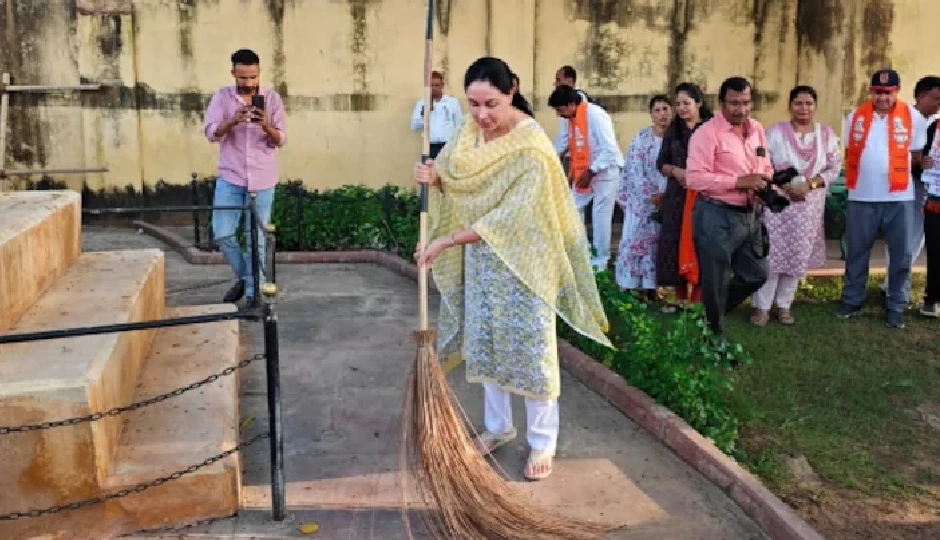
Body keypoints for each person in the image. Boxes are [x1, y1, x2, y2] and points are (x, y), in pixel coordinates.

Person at [412, 57, 612, 481]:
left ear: (511, 93)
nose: (482, 115)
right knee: (486, 342)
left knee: (531, 350)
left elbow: (510, 217)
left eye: (492, 104)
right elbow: (456, 179)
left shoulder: (531, 147)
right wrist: (433, 177)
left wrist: (445, 241)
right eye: (473, 104)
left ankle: (542, 441)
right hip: (482, 259)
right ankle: (498, 426)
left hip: (526, 263)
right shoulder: (469, 132)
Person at [836, 68, 929, 329]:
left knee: (901, 255)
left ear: (896, 92)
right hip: (861, 195)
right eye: (878, 92)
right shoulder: (855, 116)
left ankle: (896, 305)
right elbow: (850, 151)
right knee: (857, 252)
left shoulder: (913, 117)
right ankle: (852, 300)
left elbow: (916, 155)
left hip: (899, 197)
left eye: (888, 92)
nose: (883, 97)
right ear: (871, 92)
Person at [685, 76, 772, 342]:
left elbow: (765, 165)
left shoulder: (756, 129)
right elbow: (694, 178)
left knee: (756, 274)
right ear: (721, 103)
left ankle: (710, 315)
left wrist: (766, 185)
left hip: (750, 215)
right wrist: (738, 182)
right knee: (716, 280)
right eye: (734, 103)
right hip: (716, 214)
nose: (741, 110)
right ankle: (715, 339)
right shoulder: (706, 133)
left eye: (746, 103)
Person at [750, 86, 842, 326]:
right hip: (779, 205)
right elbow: (763, 165)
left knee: (797, 256)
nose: (804, 108)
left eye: (809, 103)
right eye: (798, 103)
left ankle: (784, 305)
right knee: (772, 255)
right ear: (790, 106)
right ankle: (761, 307)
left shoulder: (826, 135)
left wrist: (810, 185)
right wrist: (785, 186)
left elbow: (834, 168)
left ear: (815, 106)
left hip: (808, 207)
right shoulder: (774, 133)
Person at [203, 48, 286, 309]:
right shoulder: (221, 97)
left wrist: (265, 125)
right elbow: (211, 133)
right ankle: (248, 277)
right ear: (233, 73)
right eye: (243, 77)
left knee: (257, 240)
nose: (249, 83)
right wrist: (232, 120)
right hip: (231, 176)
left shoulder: (272, 99)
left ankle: (253, 297)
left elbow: (280, 139)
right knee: (223, 233)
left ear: (259, 72)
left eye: (253, 77)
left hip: (263, 179)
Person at [549, 84, 624, 270]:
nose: (559, 114)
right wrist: (549, 161)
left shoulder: (596, 115)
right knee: (572, 209)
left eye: (560, 110)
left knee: (600, 217)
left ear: (571, 105)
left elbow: (610, 150)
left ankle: (600, 262)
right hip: (582, 170)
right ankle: (581, 253)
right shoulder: (569, 118)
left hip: (606, 172)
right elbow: (563, 142)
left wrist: (591, 171)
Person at [881, 76, 940, 303]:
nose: (938, 104)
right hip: (902, 187)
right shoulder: (901, 118)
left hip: (928, 190)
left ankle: (894, 285)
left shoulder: (935, 123)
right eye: (935, 99)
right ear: (921, 96)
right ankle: (892, 287)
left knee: (918, 239)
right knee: (902, 237)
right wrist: (917, 162)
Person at [656, 83, 712, 311]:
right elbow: (661, 162)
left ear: (698, 103)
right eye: (678, 104)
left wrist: (699, 176)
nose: (681, 108)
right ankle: (679, 297)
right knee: (675, 243)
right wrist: (676, 172)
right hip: (677, 195)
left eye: (686, 103)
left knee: (701, 243)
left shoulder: (711, 128)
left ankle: (698, 299)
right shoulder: (674, 130)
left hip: (705, 195)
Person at [615, 95, 673, 296]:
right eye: (657, 110)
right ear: (651, 115)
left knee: (657, 245)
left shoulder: (677, 139)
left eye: (665, 109)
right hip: (642, 201)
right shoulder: (642, 137)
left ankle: (652, 287)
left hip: (668, 201)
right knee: (635, 241)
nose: (662, 114)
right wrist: (651, 194)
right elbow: (634, 168)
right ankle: (630, 284)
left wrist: (666, 195)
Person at [410, 70, 464, 159]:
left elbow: (459, 125)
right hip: (429, 147)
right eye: (431, 85)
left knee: (448, 168)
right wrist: (423, 114)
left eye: (437, 85)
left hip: (448, 145)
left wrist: (457, 146)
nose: (434, 88)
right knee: (428, 167)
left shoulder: (452, 102)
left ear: (442, 85)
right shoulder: (422, 103)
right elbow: (414, 126)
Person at [921, 116, 940, 317]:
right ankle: (932, 298)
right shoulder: (934, 128)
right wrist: (922, 163)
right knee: (936, 250)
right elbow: (921, 158)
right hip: (936, 200)